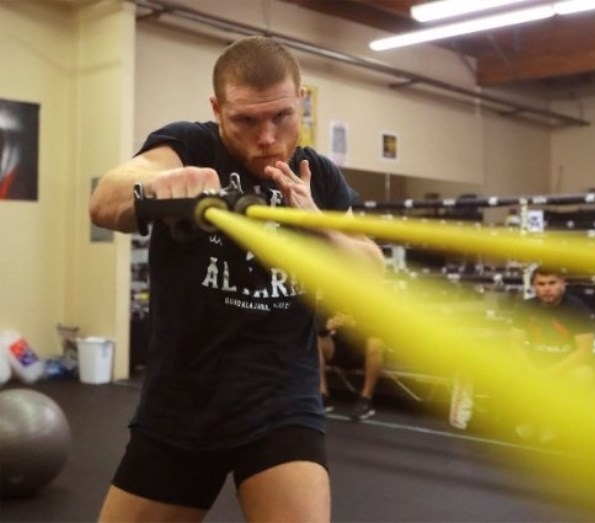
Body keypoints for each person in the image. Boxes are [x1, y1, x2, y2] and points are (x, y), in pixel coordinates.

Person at [88, 36, 384, 522]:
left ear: (300, 101)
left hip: (281, 405)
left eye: (281, 116)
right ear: (217, 109)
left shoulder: (317, 175)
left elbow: (372, 270)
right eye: (246, 120)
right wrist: (161, 188)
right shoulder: (190, 145)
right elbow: (105, 199)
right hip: (182, 403)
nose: (267, 137)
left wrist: (320, 224)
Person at [509, 264, 595, 443]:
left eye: (552, 283)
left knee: (584, 374)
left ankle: (554, 422)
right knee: (507, 367)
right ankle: (528, 420)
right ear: (534, 286)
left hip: (564, 365)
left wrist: (552, 372)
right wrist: (531, 371)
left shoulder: (577, 309)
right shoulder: (525, 307)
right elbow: (515, 345)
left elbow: (584, 350)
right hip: (535, 363)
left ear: (563, 284)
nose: (546, 288)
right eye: (541, 284)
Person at [316, 310, 386, 421]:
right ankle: (323, 395)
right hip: (339, 348)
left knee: (375, 343)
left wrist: (355, 325)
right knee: (316, 339)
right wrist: (326, 327)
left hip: (363, 351)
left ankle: (366, 398)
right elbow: (316, 325)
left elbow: (383, 329)